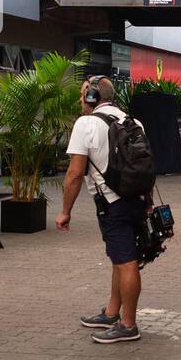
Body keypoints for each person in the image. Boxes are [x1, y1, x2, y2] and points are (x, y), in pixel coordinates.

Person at [57, 76, 150, 344]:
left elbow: (75, 174)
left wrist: (65, 211)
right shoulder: (133, 121)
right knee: (120, 257)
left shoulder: (85, 124)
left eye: (82, 94)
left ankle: (128, 324)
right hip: (137, 199)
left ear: (92, 97)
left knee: (126, 262)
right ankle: (112, 312)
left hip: (112, 203)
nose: (80, 99)